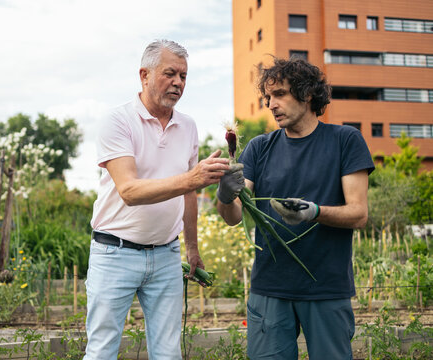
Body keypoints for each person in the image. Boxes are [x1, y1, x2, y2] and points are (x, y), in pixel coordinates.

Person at [216, 57, 375, 359]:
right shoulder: (260, 148)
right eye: (268, 97)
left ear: (307, 94)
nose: (271, 104)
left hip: (326, 288)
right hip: (270, 288)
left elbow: (359, 213)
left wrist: (314, 212)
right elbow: (234, 216)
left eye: (280, 95)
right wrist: (224, 195)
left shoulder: (345, 141)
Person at [84, 39, 230, 360]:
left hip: (166, 255)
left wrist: (191, 247)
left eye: (184, 76)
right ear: (144, 75)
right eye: (170, 74)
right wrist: (191, 178)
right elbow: (130, 191)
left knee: (168, 353)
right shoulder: (118, 121)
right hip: (115, 252)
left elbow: (189, 192)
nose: (178, 82)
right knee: (101, 351)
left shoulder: (187, 126)